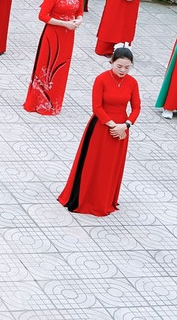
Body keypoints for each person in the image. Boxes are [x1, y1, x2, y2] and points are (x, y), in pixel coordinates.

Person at [59, 47, 140, 217]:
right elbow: (97, 107)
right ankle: (87, 198)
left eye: (127, 67)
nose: (123, 70)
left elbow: (136, 107)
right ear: (111, 62)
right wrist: (113, 126)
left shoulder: (132, 83)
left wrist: (125, 125)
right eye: (119, 66)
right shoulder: (101, 79)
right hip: (101, 127)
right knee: (94, 163)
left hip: (121, 130)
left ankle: (105, 198)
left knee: (111, 166)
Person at [24, 0, 86, 116]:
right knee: (46, 67)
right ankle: (38, 102)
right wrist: (64, 23)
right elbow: (43, 16)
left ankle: (53, 103)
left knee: (61, 68)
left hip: (68, 36)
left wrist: (78, 20)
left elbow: (79, 12)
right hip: (52, 34)